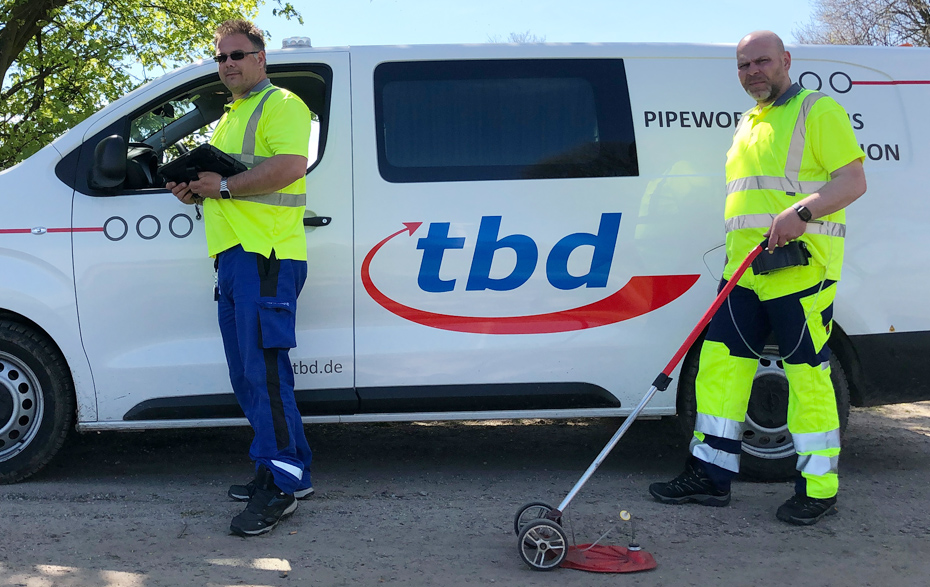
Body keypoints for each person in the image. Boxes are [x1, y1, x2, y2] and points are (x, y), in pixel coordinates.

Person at [649, 30, 866, 526]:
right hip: (743, 275)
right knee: (719, 371)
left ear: (786, 60)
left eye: (762, 62)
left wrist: (802, 214)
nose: (753, 72)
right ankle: (710, 475)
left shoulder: (818, 110)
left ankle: (818, 488)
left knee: (808, 380)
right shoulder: (750, 122)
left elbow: (852, 181)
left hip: (800, 274)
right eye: (744, 66)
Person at [167, 19, 315, 537]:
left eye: (238, 54)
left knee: (265, 374)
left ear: (261, 57)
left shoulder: (282, 105)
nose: (228, 63)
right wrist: (196, 188)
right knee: (248, 373)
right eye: (221, 57)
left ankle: (284, 482)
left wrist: (223, 185)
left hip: (265, 255)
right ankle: (275, 466)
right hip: (234, 259)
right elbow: (226, 182)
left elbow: (291, 166)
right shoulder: (232, 117)